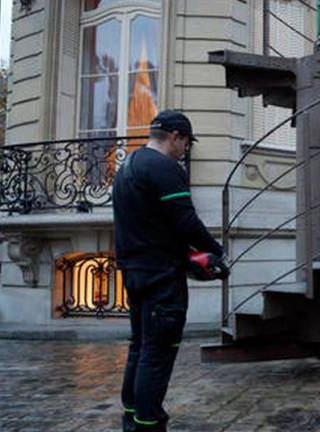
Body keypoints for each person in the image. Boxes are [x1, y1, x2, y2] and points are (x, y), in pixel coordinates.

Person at [113, 110, 227, 431]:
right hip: (162, 277)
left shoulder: (128, 167)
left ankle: (132, 415)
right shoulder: (165, 168)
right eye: (186, 142)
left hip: (134, 272)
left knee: (140, 346)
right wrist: (216, 251)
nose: (186, 149)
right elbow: (186, 222)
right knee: (158, 353)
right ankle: (148, 423)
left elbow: (154, 225)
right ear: (175, 137)